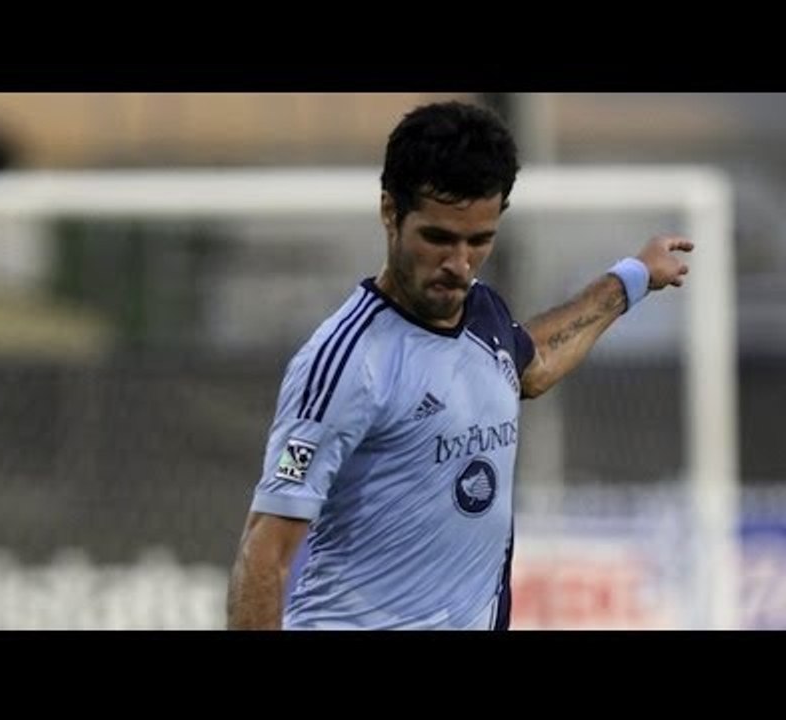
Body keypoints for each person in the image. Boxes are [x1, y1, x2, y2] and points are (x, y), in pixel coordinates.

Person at [226, 100, 693, 630]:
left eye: (479, 241)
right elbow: (265, 553)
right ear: (389, 211)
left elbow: (531, 364)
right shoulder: (346, 363)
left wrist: (633, 278)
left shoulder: (483, 311)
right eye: (439, 238)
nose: (459, 263)